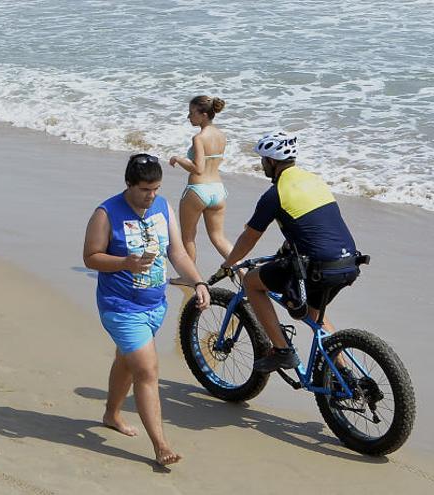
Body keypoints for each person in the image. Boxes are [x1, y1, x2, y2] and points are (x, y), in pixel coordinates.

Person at [83, 153, 210, 466]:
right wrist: (125, 263)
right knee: (147, 370)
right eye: (144, 190)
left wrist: (198, 282)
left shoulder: (164, 207)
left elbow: (177, 252)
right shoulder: (106, 212)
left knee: (126, 361)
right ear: (129, 185)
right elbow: (91, 257)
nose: (151, 195)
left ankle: (111, 415)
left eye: (155, 189)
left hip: (155, 305)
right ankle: (161, 445)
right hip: (120, 306)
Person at [220, 131, 361, 372]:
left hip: (319, 268)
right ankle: (342, 373)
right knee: (314, 315)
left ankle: (283, 351)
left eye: (263, 160)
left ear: (272, 162)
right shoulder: (314, 181)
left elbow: (249, 238)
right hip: (349, 263)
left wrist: (229, 264)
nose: (262, 164)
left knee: (253, 283)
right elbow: (313, 230)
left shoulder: (275, 194)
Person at [168, 96, 232, 285]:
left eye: (192, 112)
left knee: (188, 237)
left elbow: (198, 168)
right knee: (219, 238)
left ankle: (189, 278)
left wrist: (179, 159)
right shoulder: (221, 135)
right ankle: (244, 273)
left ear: (204, 115)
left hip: (198, 190)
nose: (189, 116)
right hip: (218, 189)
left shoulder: (199, 137)